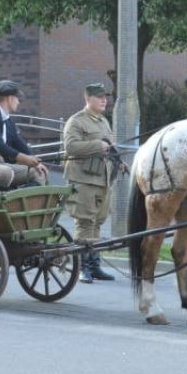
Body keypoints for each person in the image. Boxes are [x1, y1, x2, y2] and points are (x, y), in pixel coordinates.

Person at [63, 83, 118, 283]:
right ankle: (81, 267)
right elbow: (70, 146)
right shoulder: (77, 121)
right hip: (83, 180)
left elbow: (109, 148)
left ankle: (94, 266)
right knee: (85, 223)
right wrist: (97, 145)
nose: (104, 100)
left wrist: (117, 162)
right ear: (88, 99)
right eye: (99, 97)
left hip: (102, 180)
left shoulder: (103, 121)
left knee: (97, 224)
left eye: (105, 97)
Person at [0, 80, 48, 189]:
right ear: (10, 99)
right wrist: (24, 159)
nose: (18, 102)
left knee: (38, 172)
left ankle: (24, 202)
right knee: (5, 173)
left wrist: (35, 163)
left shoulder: (8, 120)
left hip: (3, 164)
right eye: (17, 99)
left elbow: (19, 144)